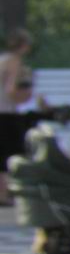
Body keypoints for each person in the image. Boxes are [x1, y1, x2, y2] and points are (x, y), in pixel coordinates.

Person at [0, 29, 34, 205]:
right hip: (6, 113)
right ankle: (4, 194)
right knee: (10, 153)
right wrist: (25, 97)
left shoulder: (3, 58)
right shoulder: (14, 61)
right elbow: (11, 90)